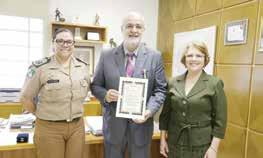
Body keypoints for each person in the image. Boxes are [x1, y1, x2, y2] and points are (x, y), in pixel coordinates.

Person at [91, 12, 167, 158]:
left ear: (143, 30)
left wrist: (149, 111)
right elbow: (95, 85)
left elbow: (160, 89)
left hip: (141, 127)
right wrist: (105, 95)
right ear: (122, 29)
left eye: (138, 26)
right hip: (114, 127)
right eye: (129, 26)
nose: (134, 30)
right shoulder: (107, 55)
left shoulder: (154, 57)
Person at [20, 28, 90, 158]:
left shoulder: (83, 67)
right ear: (53, 43)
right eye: (60, 41)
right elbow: (25, 98)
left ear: (73, 44)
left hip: (77, 127)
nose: (65, 44)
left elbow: (86, 93)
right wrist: (41, 114)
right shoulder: (40, 67)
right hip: (49, 128)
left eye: (69, 41)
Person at [159, 41, 227, 158]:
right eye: (190, 55)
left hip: (201, 146)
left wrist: (214, 149)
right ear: (184, 59)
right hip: (174, 143)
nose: (193, 59)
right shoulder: (173, 82)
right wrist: (162, 140)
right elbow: (165, 114)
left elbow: (220, 121)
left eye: (199, 56)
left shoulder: (214, 83)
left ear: (205, 59)